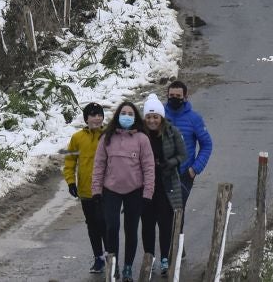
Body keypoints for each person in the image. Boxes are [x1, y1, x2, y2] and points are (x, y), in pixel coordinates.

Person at [92, 101, 154, 281]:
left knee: (131, 229)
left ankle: (127, 267)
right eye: (123, 113)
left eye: (130, 114)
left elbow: (149, 167)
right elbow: (99, 165)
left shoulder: (142, 139)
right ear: (118, 115)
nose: (126, 116)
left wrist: (147, 193)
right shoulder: (107, 138)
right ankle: (113, 266)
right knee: (112, 227)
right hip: (111, 190)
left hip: (134, 190)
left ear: (135, 118)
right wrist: (96, 190)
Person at [139, 95, 186, 276]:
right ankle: (149, 258)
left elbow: (183, 154)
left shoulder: (172, 132)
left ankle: (165, 258)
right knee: (147, 224)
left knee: (166, 224)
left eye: (155, 117)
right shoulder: (140, 134)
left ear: (161, 117)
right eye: (149, 117)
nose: (152, 120)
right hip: (146, 185)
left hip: (167, 184)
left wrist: (170, 162)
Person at [64, 102, 108, 275]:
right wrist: (70, 182)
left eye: (99, 114)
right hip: (85, 190)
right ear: (86, 118)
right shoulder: (77, 138)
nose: (97, 118)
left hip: (106, 190)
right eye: (93, 114)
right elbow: (69, 162)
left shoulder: (108, 135)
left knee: (106, 224)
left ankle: (111, 257)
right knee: (92, 225)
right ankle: (98, 258)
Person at [163, 80, 213, 207]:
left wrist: (194, 169)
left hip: (184, 174)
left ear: (185, 97)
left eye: (178, 96)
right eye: (171, 96)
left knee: (178, 211)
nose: (174, 99)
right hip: (162, 172)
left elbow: (207, 144)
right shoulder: (159, 115)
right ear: (167, 96)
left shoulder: (194, 119)